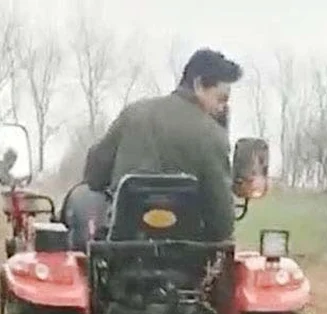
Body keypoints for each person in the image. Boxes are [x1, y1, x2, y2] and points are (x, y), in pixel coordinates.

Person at [81, 48, 243, 242]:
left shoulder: (134, 114)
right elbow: (222, 224)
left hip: (122, 255)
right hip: (187, 262)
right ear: (199, 84)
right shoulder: (213, 135)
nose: (223, 108)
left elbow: (93, 177)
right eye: (221, 99)